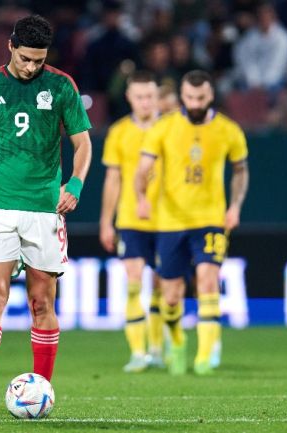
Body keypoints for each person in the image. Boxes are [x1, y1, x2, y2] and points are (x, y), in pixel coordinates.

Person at [0, 15, 92, 418]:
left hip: (44, 209)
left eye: (39, 61)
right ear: (10, 45)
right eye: (26, 58)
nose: (32, 67)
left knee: (41, 303)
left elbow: (83, 144)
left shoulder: (61, 86)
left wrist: (76, 184)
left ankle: (42, 388)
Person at [135, 70, 249, 376]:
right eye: (189, 97)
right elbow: (142, 168)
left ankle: (205, 355)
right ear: (182, 97)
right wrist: (141, 197)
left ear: (210, 95)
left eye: (200, 97)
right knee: (171, 296)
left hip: (211, 219)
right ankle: (177, 338)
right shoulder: (164, 127)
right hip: (170, 222)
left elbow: (240, 171)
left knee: (208, 281)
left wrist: (235, 206)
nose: (195, 103)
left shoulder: (228, 130)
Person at [99, 70, 164, 373]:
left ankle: (158, 347)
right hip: (130, 218)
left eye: (150, 96)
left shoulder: (171, 129)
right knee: (135, 283)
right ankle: (138, 352)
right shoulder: (119, 132)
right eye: (139, 97)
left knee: (162, 286)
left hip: (167, 220)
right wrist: (105, 221)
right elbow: (112, 179)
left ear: (157, 96)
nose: (145, 102)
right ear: (129, 98)